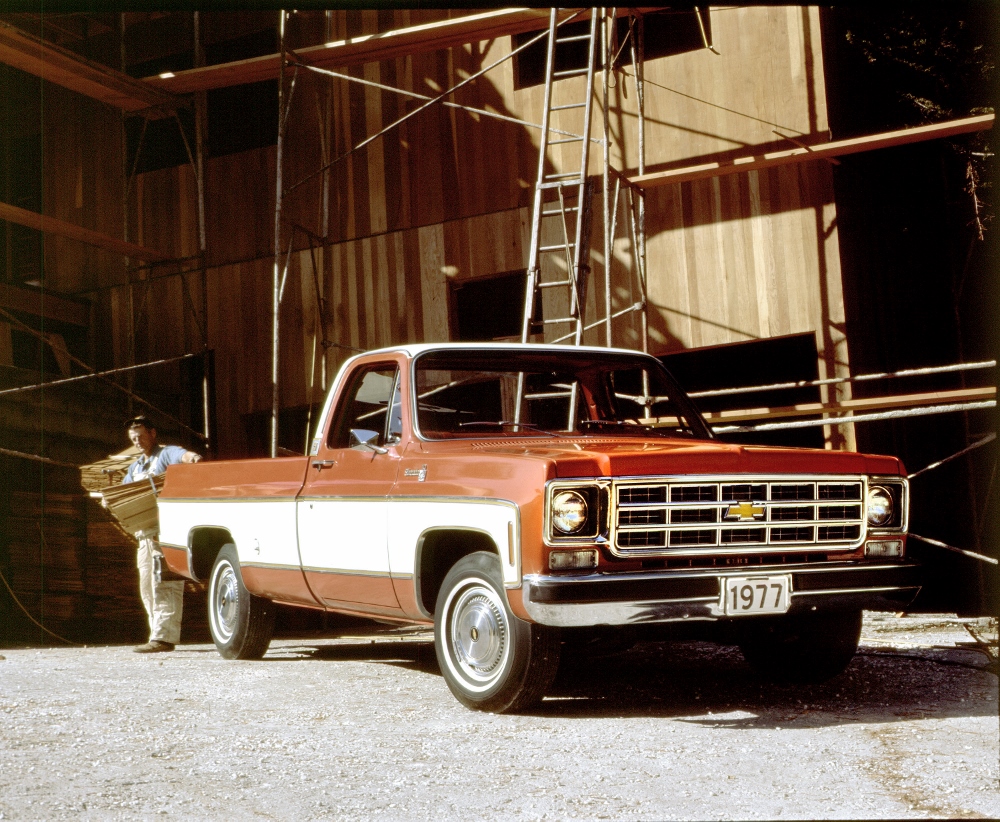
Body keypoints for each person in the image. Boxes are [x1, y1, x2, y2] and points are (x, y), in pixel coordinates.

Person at [122, 415, 202, 653]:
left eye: (141, 435)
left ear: (153, 433)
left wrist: (192, 458)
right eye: (133, 438)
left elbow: (183, 455)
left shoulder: (165, 454)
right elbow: (124, 492)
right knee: (147, 586)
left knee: (164, 584)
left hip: (165, 532)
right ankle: (156, 634)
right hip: (144, 535)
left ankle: (164, 638)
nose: (137, 441)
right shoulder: (135, 467)